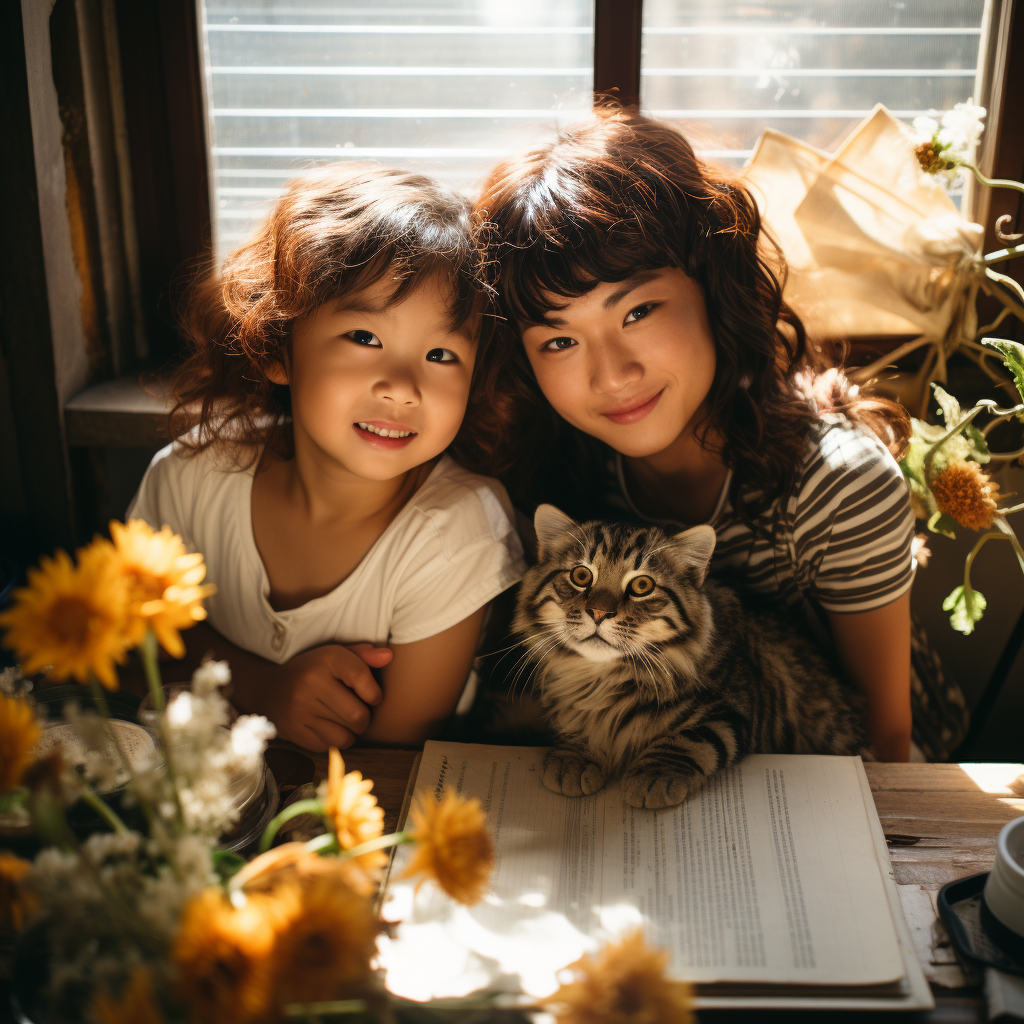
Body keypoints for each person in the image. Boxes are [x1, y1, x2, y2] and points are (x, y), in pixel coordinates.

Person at [463, 105, 966, 762]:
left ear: (714, 288)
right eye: (560, 339)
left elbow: (889, 745)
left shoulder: (838, 486)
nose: (612, 375)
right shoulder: (549, 459)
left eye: (638, 311)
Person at [128, 166, 525, 751]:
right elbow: (124, 646)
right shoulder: (187, 478)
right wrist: (262, 686)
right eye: (365, 338)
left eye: (441, 354)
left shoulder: (455, 531)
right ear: (276, 347)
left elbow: (388, 765)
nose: (402, 387)